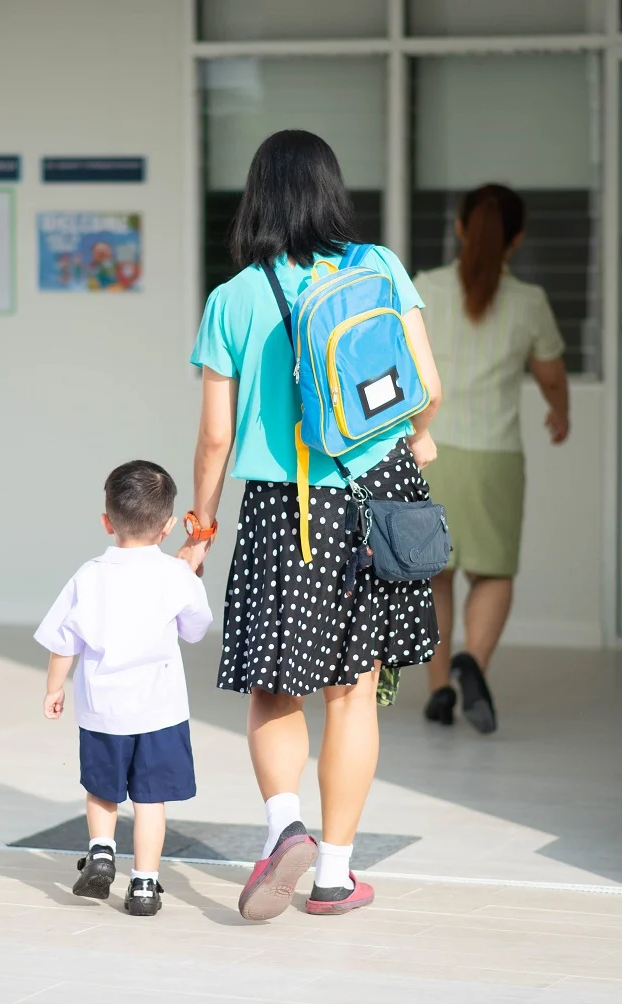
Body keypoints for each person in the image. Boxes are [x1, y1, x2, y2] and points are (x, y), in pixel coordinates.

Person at [177, 130, 442, 920]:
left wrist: (200, 524)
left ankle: (283, 825)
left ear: (255, 198)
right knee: (353, 694)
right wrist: (420, 435)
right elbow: (428, 386)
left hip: (282, 506)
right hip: (376, 496)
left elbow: (216, 437)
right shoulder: (378, 267)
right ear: (331, 190)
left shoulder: (233, 298)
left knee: (275, 685)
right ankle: (334, 874)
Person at [414, 184, 570, 735]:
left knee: (434, 574)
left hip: (427, 452)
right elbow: (551, 375)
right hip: (494, 456)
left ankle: (439, 690)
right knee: (493, 571)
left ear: (459, 227)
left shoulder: (425, 289)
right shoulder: (529, 302)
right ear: (517, 239)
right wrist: (560, 412)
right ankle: (472, 663)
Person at [36, 460, 213, 917]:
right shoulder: (176, 575)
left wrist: (54, 689)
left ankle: (100, 851)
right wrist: (191, 574)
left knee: (102, 790)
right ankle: (145, 886)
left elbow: (63, 641)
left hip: (102, 710)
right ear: (168, 526)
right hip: (160, 711)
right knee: (150, 800)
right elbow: (196, 630)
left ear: (106, 521)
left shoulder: (89, 575)